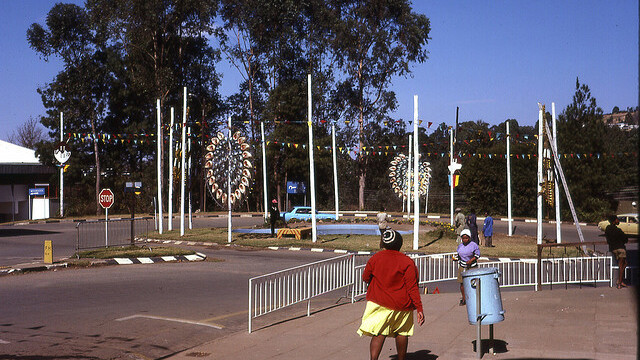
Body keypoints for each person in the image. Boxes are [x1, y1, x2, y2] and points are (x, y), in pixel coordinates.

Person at [358, 229, 425, 360]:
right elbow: (412, 287)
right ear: (400, 244)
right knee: (402, 332)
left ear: (383, 244)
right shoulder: (407, 262)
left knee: (379, 332)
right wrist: (419, 309)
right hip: (403, 305)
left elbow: (366, 277)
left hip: (379, 302)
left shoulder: (376, 258)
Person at [455, 229, 480, 306]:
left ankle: (474, 298)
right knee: (462, 283)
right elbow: (459, 255)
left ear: (469, 238)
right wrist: (456, 258)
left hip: (472, 266)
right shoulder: (460, 246)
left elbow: (477, 255)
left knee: (473, 282)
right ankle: (464, 298)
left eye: (466, 238)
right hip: (463, 266)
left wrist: (471, 260)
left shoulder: (473, 245)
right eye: (463, 238)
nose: (465, 240)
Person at [605, 214, 628, 289]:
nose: (618, 221)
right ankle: (619, 282)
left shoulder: (608, 229)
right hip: (621, 249)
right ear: (614, 221)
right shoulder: (618, 230)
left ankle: (620, 281)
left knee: (624, 263)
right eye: (617, 219)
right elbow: (625, 239)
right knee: (621, 265)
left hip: (613, 248)